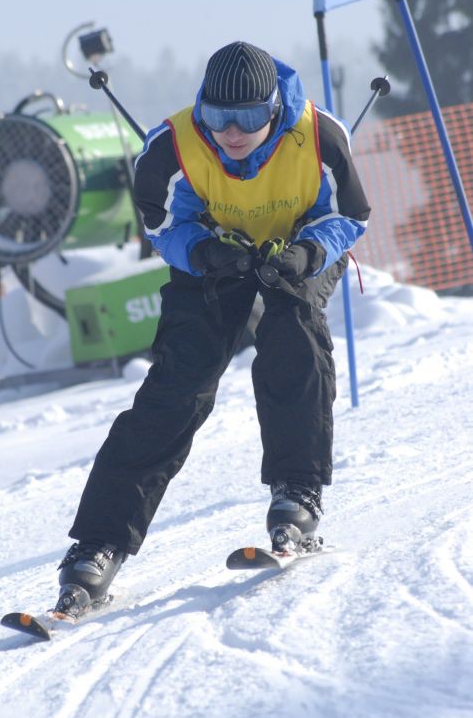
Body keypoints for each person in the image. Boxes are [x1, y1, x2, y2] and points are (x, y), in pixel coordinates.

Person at [53, 40, 371, 617]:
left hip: (296, 251)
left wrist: (306, 254)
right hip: (215, 257)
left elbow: (349, 215)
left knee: (291, 330)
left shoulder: (319, 136)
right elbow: (163, 221)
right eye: (217, 116)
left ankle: (296, 493)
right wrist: (201, 253)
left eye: (248, 117)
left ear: (273, 107)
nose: (231, 132)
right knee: (180, 381)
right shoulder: (171, 145)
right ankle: (97, 544)